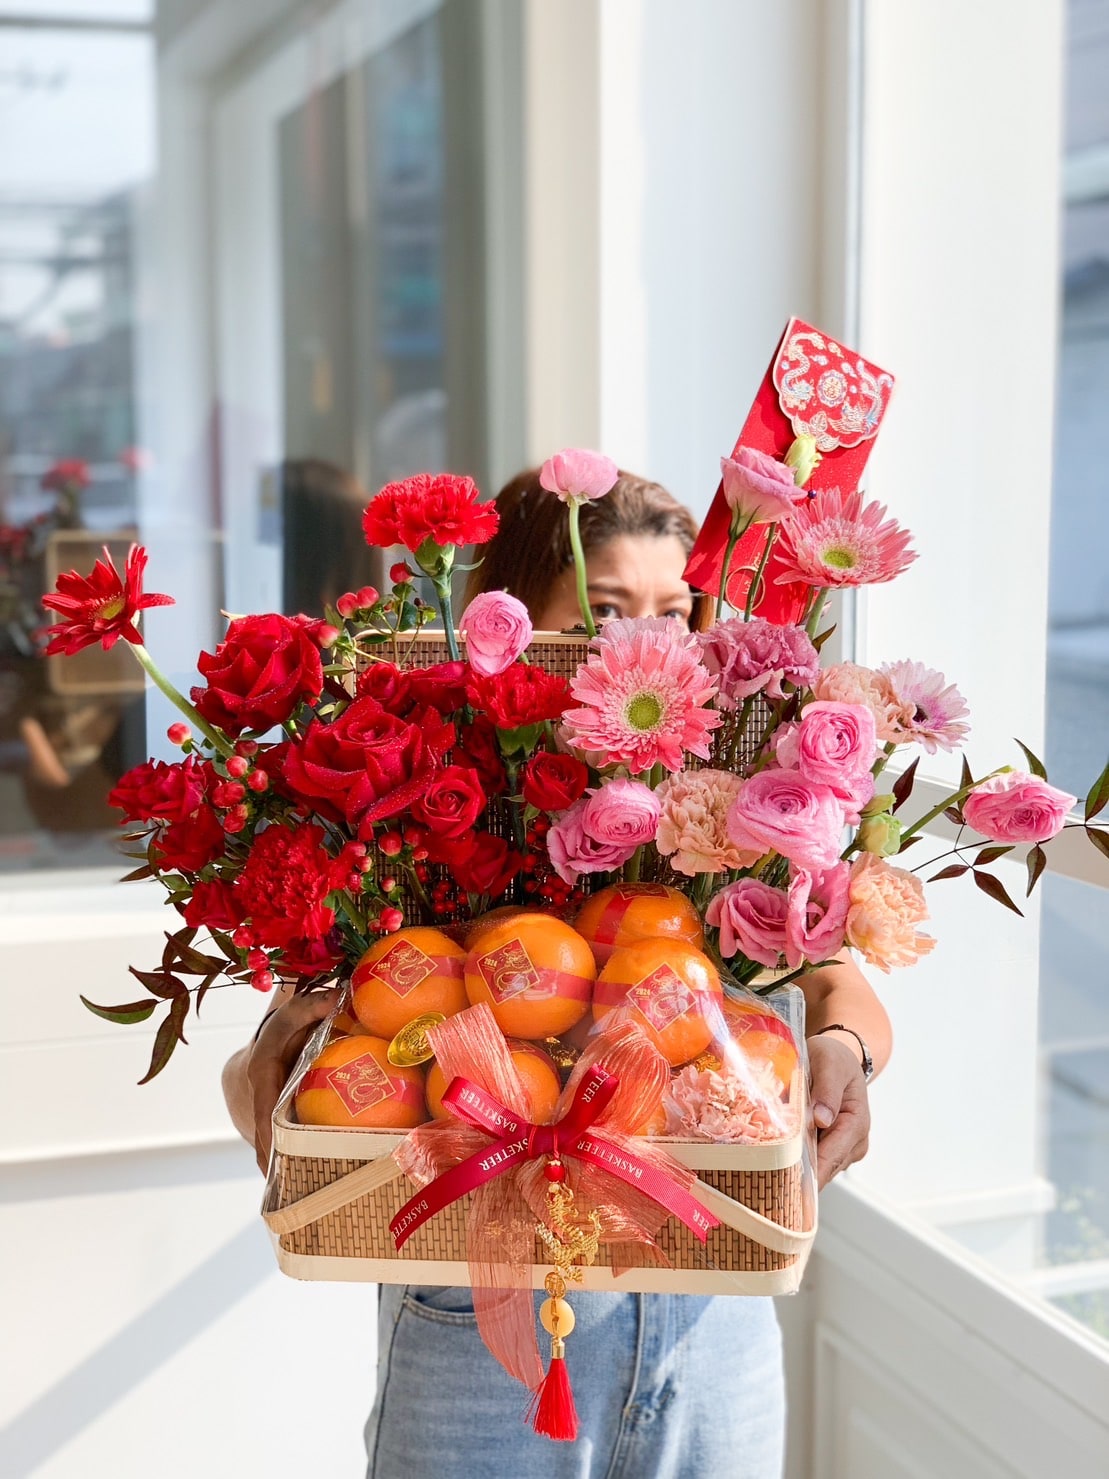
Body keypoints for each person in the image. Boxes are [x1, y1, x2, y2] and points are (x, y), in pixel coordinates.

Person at [223, 467, 892, 1479]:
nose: (646, 642)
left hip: (708, 1307)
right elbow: (273, 1086)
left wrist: (840, 1056)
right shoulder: (433, 796)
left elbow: (835, 987)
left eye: (675, 612)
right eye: (604, 609)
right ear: (511, 619)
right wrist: (273, 1056)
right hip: (482, 1313)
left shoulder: (735, 790)